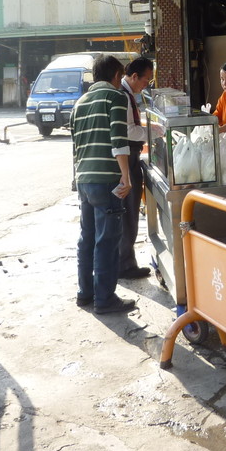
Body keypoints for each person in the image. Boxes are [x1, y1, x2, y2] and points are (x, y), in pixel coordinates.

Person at [71, 55, 136, 315]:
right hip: (107, 180)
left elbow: (76, 147)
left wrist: (76, 180)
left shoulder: (80, 102)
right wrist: (126, 177)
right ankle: (105, 299)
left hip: (84, 179)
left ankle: (85, 293)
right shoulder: (116, 97)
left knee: (87, 238)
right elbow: (119, 140)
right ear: (117, 76)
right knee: (107, 241)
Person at [118, 57, 154, 279]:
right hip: (127, 157)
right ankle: (125, 265)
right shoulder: (123, 96)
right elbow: (128, 131)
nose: (146, 85)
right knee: (128, 212)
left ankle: (125, 261)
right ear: (134, 76)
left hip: (130, 155)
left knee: (128, 212)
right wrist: (152, 132)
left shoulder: (128, 95)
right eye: (146, 80)